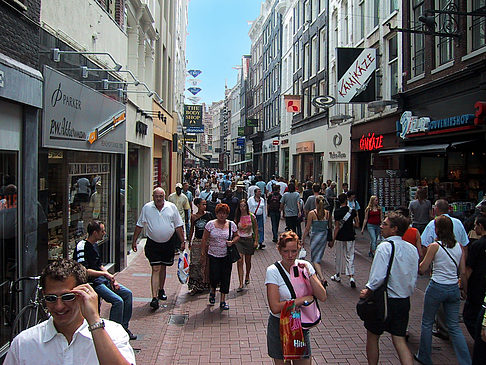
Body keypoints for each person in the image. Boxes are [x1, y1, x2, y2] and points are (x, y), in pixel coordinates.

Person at [4, 259, 135, 365]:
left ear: (84, 293)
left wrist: (95, 321)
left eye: (67, 297)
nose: (59, 306)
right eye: (51, 298)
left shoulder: (114, 334)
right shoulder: (23, 344)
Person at [360, 213, 418, 365]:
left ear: (394, 229)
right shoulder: (412, 249)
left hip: (384, 301)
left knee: (373, 337)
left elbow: (377, 277)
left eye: (385, 224)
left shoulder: (385, 247)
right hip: (403, 300)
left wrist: (368, 290)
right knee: (399, 339)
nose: (381, 226)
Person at [415, 216, 471, 365]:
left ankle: (424, 356)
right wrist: (464, 290)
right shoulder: (459, 246)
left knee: (427, 322)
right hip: (453, 288)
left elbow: (423, 268)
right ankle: (465, 361)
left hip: (437, 286)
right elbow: (463, 272)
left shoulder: (435, 246)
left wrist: (419, 265)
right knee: (454, 326)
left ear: (437, 229)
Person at [265, 231, 327, 364]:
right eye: (286, 251)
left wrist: (309, 273)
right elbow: (275, 307)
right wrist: (301, 300)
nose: (290, 255)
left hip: (300, 324)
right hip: (279, 324)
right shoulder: (273, 271)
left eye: (294, 251)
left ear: (299, 248)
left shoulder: (305, 267)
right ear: (280, 250)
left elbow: (322, 296)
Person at [74, 221, 136, 340]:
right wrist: (104, 274)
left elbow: (99, 264)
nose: (104, 233)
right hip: (93, 283)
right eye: (102, 231)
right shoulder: (82, 247)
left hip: (102, 280)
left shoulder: (95, 245)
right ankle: (112, 335)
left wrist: (111, 278)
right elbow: (84, 270)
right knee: (117, 301)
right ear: (94, 233)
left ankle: (124, 328)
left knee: (127, 294)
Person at [421, 199, 470, 340]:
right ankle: (448, 327)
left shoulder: (432, 225)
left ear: (436, 209)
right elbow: (465, 245)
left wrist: (426, 261)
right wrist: (463, 261)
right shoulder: (459, 223)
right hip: (455, 266)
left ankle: (442, 327)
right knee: (451, 309)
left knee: (430, 315)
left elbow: (425, 245)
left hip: (439, 270)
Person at [132, 187, 185, 310]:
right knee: (155, 268)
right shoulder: (147, 208)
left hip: (168, 243)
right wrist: (134, 240)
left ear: (164, 196)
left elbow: (178, 226)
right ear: (153, 197)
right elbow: (139, 225)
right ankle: (154, 297)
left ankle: (161, 289)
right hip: (153, 243)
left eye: (161, 196)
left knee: (163, 267)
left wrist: (183, 241)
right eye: (156, 196)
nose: (159, 199)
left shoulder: (171, 207)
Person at [201, 203, 239, 310]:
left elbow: (237, 236)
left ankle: (223, 300)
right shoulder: (210, 224)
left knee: (225, 277)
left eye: (224, 213)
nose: (222, 215)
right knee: (214, 276)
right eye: (220, 213)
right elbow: (204, 238)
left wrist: (232, 242)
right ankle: (212, 291)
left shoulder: (231, 224)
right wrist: (203, 253)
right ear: (216, 214)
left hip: (226, 255)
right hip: (213, 255)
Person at [463, 215, 486, 339]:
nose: (474, 227)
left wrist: (465, 287)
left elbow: (469, 269)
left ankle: (480, 339)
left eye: (476, 225)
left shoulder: (477, 246)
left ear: (481, 226)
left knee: (470, 316)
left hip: (477, 286)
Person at [330, 193, 358, 288]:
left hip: (340, 237)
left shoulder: (337, 212)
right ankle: (351, 276)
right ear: (346, 200)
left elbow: (337, 227)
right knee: (350, 256)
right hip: (350, 236)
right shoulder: (352, 211)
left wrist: (333, 239)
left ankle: (338, 275)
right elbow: (357, 224)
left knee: (339, 256)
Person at [187, 198, 214, 295]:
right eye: (203, 204)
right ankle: (195, 285)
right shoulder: (193, 217)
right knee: (195, 263)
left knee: (206, 263)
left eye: (205, 204)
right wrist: (189, 241)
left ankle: (205, 283)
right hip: (197, 241)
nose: (205, 206)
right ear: (198, 205)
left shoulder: (209, 216)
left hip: (207, 242)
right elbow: (192, 230)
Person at [302, 195, 330, 287]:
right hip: (323, 237)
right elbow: (330, 227)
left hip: (315, 237)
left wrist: (303, 239)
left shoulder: (312, 213)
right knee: (318, 258)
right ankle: (315, 280)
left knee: (315, 259)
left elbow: (307, 228)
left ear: (316, 203)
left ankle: (322, 278)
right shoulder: (327, 213)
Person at [234, 199, 258, 292]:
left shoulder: (251, 216)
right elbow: (234, 228)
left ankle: (247, 275)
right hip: (240, 240)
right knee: (239, 260)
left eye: (244, 206)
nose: (242, 208)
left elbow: (255, 228)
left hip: (248, 240)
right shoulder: (237, 217)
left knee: (248, 261)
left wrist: (256, 240)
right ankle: (240, 283)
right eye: (241, 206)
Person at [168, 183, 191, 248]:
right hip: (172, 217)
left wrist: (186, 219)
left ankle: (179, 245)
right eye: (177, 189)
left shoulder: (184, 197)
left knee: (180, 231)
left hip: (181, 217)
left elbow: (186, 208)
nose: (178, 190)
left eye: (179, 189)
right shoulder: (171, 197)